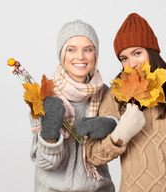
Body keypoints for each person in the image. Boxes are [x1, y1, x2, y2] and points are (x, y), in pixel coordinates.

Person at [81, 13, 166, 192]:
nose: (132, 63)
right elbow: (93, 156)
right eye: (124, 58)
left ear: (151, 52)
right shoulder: (115, 97)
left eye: (137, 53)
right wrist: (121, 134)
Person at [30, 19, 115, 192]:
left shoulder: (107, 93)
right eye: (71, 49)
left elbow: (117, 145)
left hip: (99, 188)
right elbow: (46, 162)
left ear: (95, 54)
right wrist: (50, 132)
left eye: (88, 50)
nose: (80, 57)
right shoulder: (44, 94)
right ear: (62, 54)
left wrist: (112, 124)